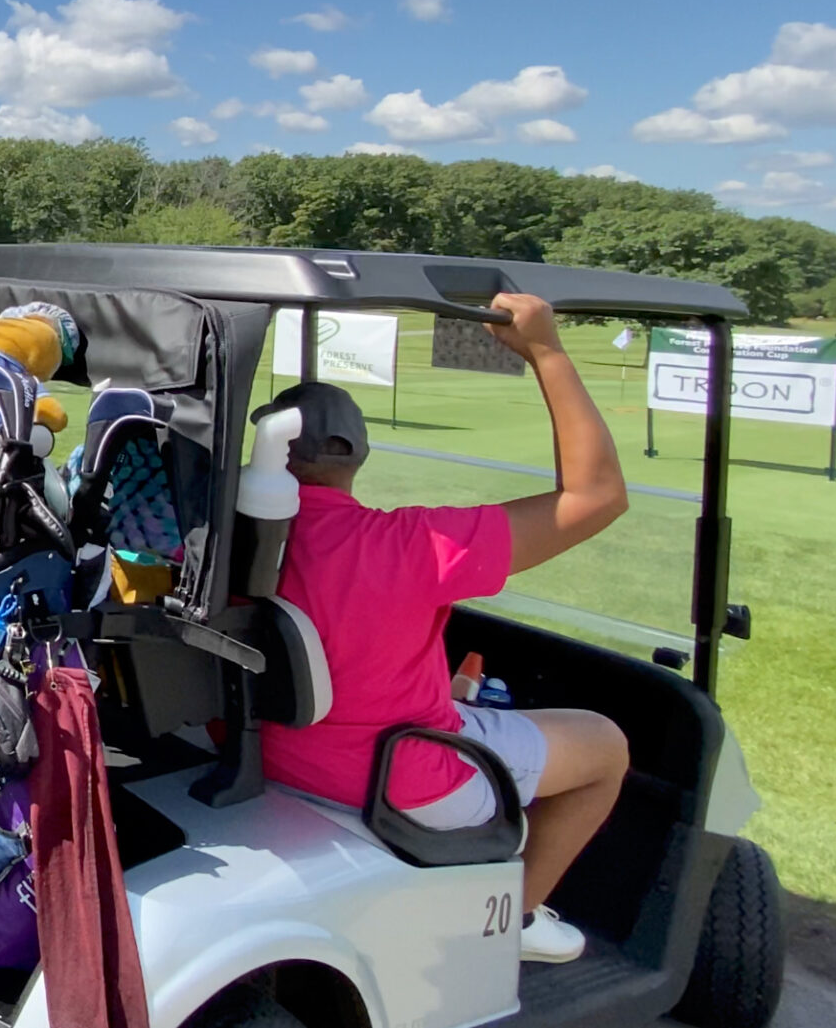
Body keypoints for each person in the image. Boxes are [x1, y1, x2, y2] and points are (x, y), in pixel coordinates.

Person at [256, 293, 632, 966]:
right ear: (354, 451)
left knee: (461, 700)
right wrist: (546, 350)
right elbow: (596, 496)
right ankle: (516, 917)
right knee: (604, 746)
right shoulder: (404, 544)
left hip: (268, 752)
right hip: (402, 779)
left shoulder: (214, 540)